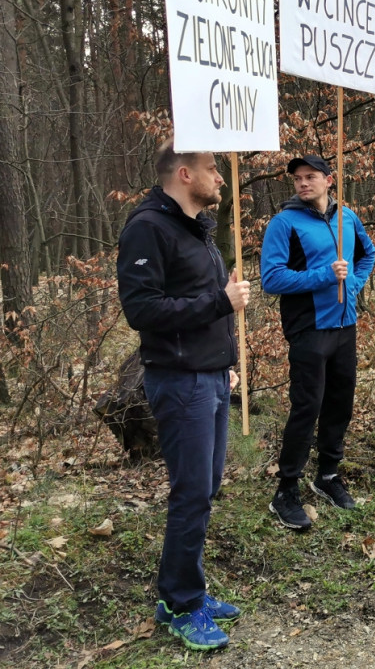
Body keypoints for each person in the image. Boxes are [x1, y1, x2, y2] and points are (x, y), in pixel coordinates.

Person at [116, 139, 248, 650]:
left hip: (211, 376)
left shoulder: (198, 230)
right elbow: (143, 311)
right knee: (191, 491)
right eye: (214, 169)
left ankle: (185, 590)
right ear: (185, 174)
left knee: (205, 488)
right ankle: (180, 603)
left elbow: (211, 307)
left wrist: (228, 364)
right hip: (178, 379)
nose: (221, 177)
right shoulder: (148, 228)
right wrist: (219, 302)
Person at [261, 155, 375, 531]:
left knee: (340, 403)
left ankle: (327, 476)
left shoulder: (348, 217)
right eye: (297, 178)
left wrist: (354, 284)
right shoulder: (284, 223)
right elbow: (272, 279)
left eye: (310, 177)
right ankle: (286, 490)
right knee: (306, 408)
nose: (302, 184)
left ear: (330, 180)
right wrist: (324, 275)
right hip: (308, 328)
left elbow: (368, 254)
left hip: (345, 326)